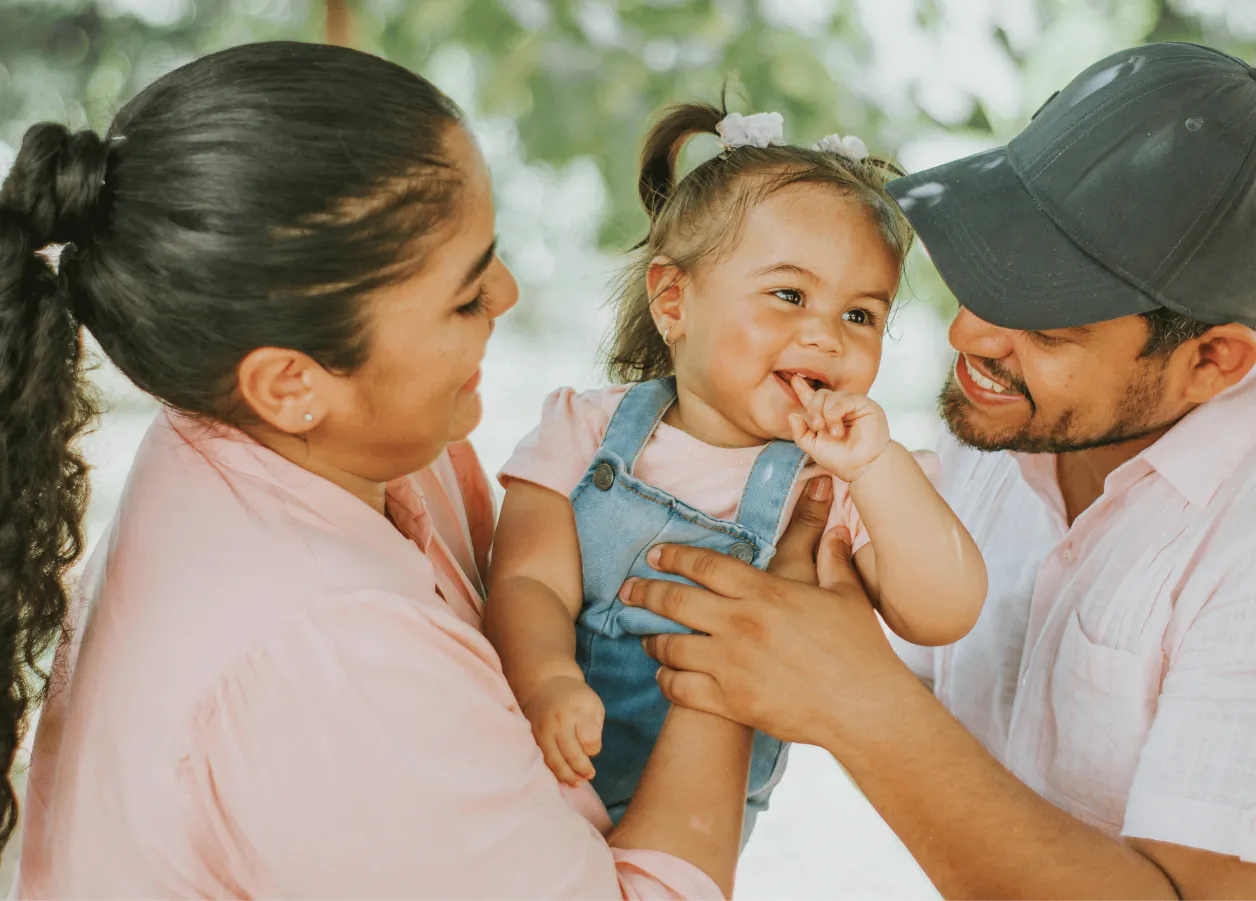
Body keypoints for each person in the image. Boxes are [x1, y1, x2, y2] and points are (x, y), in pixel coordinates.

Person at [3, 42, 750, 898]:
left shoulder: (305, 434)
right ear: (289, 382)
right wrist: (727, 659)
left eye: (490, 253)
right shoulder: (330, 651)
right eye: (466, 296)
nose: (506, 294)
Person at [620, 42, 1256, 899]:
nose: (969, 335)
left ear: (1212, 361)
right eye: (993, 268)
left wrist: (862, 703)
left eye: (1048, 323)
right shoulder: (1024, 405)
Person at [484, 103, 986, 839]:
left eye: (861, 315)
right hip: (538, 763)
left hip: (700, 814)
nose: (825, 333)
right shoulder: (586, 427)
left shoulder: (838, 480)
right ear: (673, 299)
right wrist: (546, 678)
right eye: (790, 295)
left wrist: (878, 468)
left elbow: (944, 612)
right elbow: (526, 578)